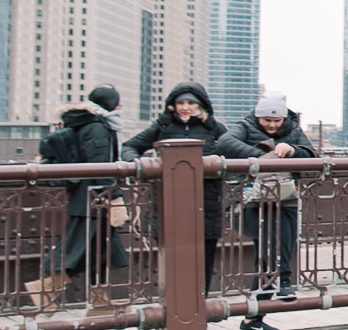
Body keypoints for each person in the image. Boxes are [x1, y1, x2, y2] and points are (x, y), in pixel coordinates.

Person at [122, 82, 262, 311]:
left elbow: (236, 151)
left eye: (190, 103)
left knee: (204, 259)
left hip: (206, 202)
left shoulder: (215, 128)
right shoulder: (162, 126)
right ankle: (171, 308)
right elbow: (130, 146)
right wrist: (141, 167)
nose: (185, 108)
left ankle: (198, 307)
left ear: (201, 106)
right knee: (171, 259)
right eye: (180, 103)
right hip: (169, 203)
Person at [31, 85, 129, 309]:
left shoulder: (87, 122)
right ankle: (45, 295)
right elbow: (102, 167)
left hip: (87, 198)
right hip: (93, 201)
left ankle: (101, 305)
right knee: (78, 252)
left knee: (101, 253)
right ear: (113, 105)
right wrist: (114, 197)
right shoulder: (97, 127)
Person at [227, 91, 316, 309]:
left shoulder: (293, 130)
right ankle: (257, 310)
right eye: (267, 120)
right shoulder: (246, 126)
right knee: (266, 254)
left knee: (284, 242)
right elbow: (226, 143)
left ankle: (277, 288)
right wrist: (261, 156)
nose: (272, 125)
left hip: (285, 196)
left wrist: (293, 150)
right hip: (255, 199)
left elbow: (312, 157)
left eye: (277, 121)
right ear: (258, 117)